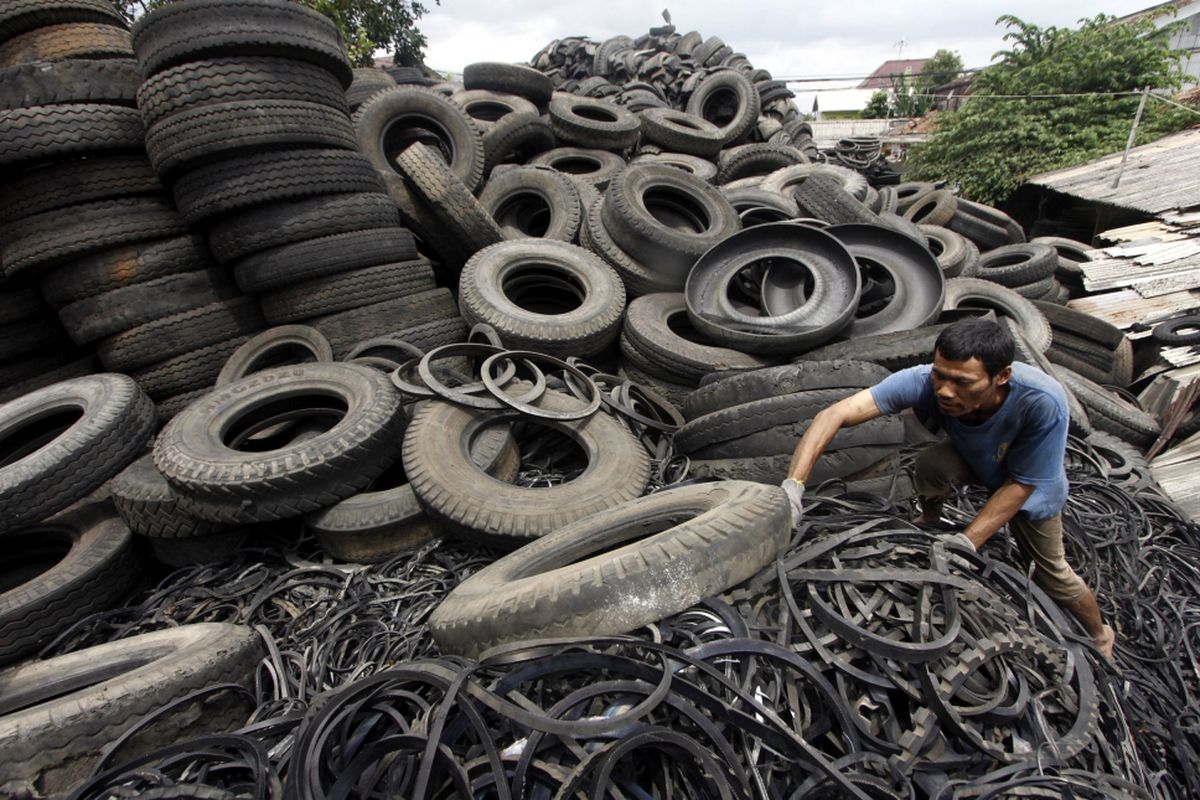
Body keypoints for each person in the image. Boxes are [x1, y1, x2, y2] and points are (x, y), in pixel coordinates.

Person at [780, 318, 1115, 659]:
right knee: (931, 465)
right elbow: (834, 415)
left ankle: (1101, 634)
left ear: (1001, 377)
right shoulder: (926, 380)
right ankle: (930, 521)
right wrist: (794, 486)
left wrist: (966, 542)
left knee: (1053, 574)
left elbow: (1021, 484)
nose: (944, 391)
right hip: (976, 457)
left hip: (1029, 485)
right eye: (940, 375)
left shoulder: (1041, 401)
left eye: (961, 382)